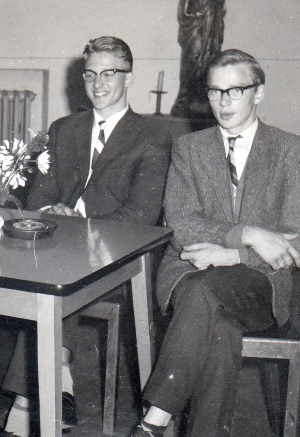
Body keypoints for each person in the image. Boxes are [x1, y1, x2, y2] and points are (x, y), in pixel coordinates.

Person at [0, 36, 172, 435]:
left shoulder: (151, 135)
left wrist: (76, 221)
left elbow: (141, 215)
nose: (98, 83)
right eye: (90, 74)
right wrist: (51, 216)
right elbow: (39, 197)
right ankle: (48, 388)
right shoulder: (63, 129)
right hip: (54, 243)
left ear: (129, 78)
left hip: (114, 253)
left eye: (109, 73)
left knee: (58, 278)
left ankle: (26, 406)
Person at [131, 49, 300, 437]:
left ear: (259, 93)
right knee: (219, 326)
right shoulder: (189, 148)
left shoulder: (290, 150)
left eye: (235, 90)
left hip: (259, 285)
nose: (223, 102)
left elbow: (294, 240)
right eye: (214, 91)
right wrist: (249, 234)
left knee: (206, 292)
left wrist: (234, 254)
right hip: (188, 271)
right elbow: (182, 224)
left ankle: (153, 421)